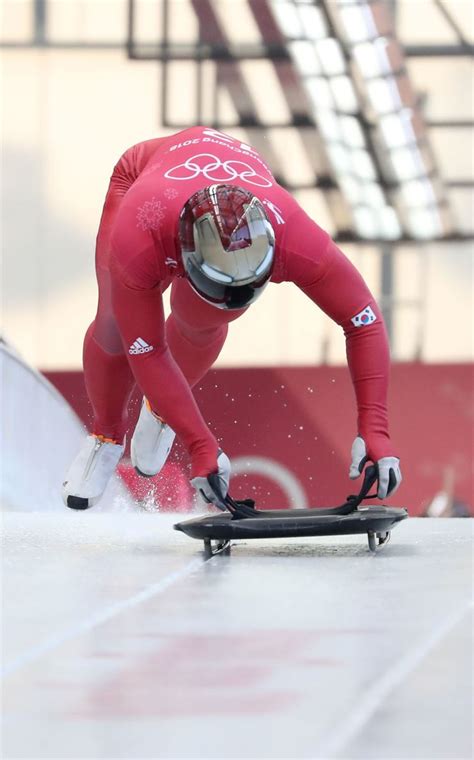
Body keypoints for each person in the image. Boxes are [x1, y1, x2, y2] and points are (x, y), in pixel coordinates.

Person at [62, 126, 402, 510]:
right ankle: (105, 435)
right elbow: (148, 349)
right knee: (113, 327)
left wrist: (375, 428)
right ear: (186, 261)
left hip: (210, 203)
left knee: (204, 319)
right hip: (141, 182)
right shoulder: (139, 235)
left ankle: (161, 411)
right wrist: (200, 444)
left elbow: (364, 321)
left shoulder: (295, 235)